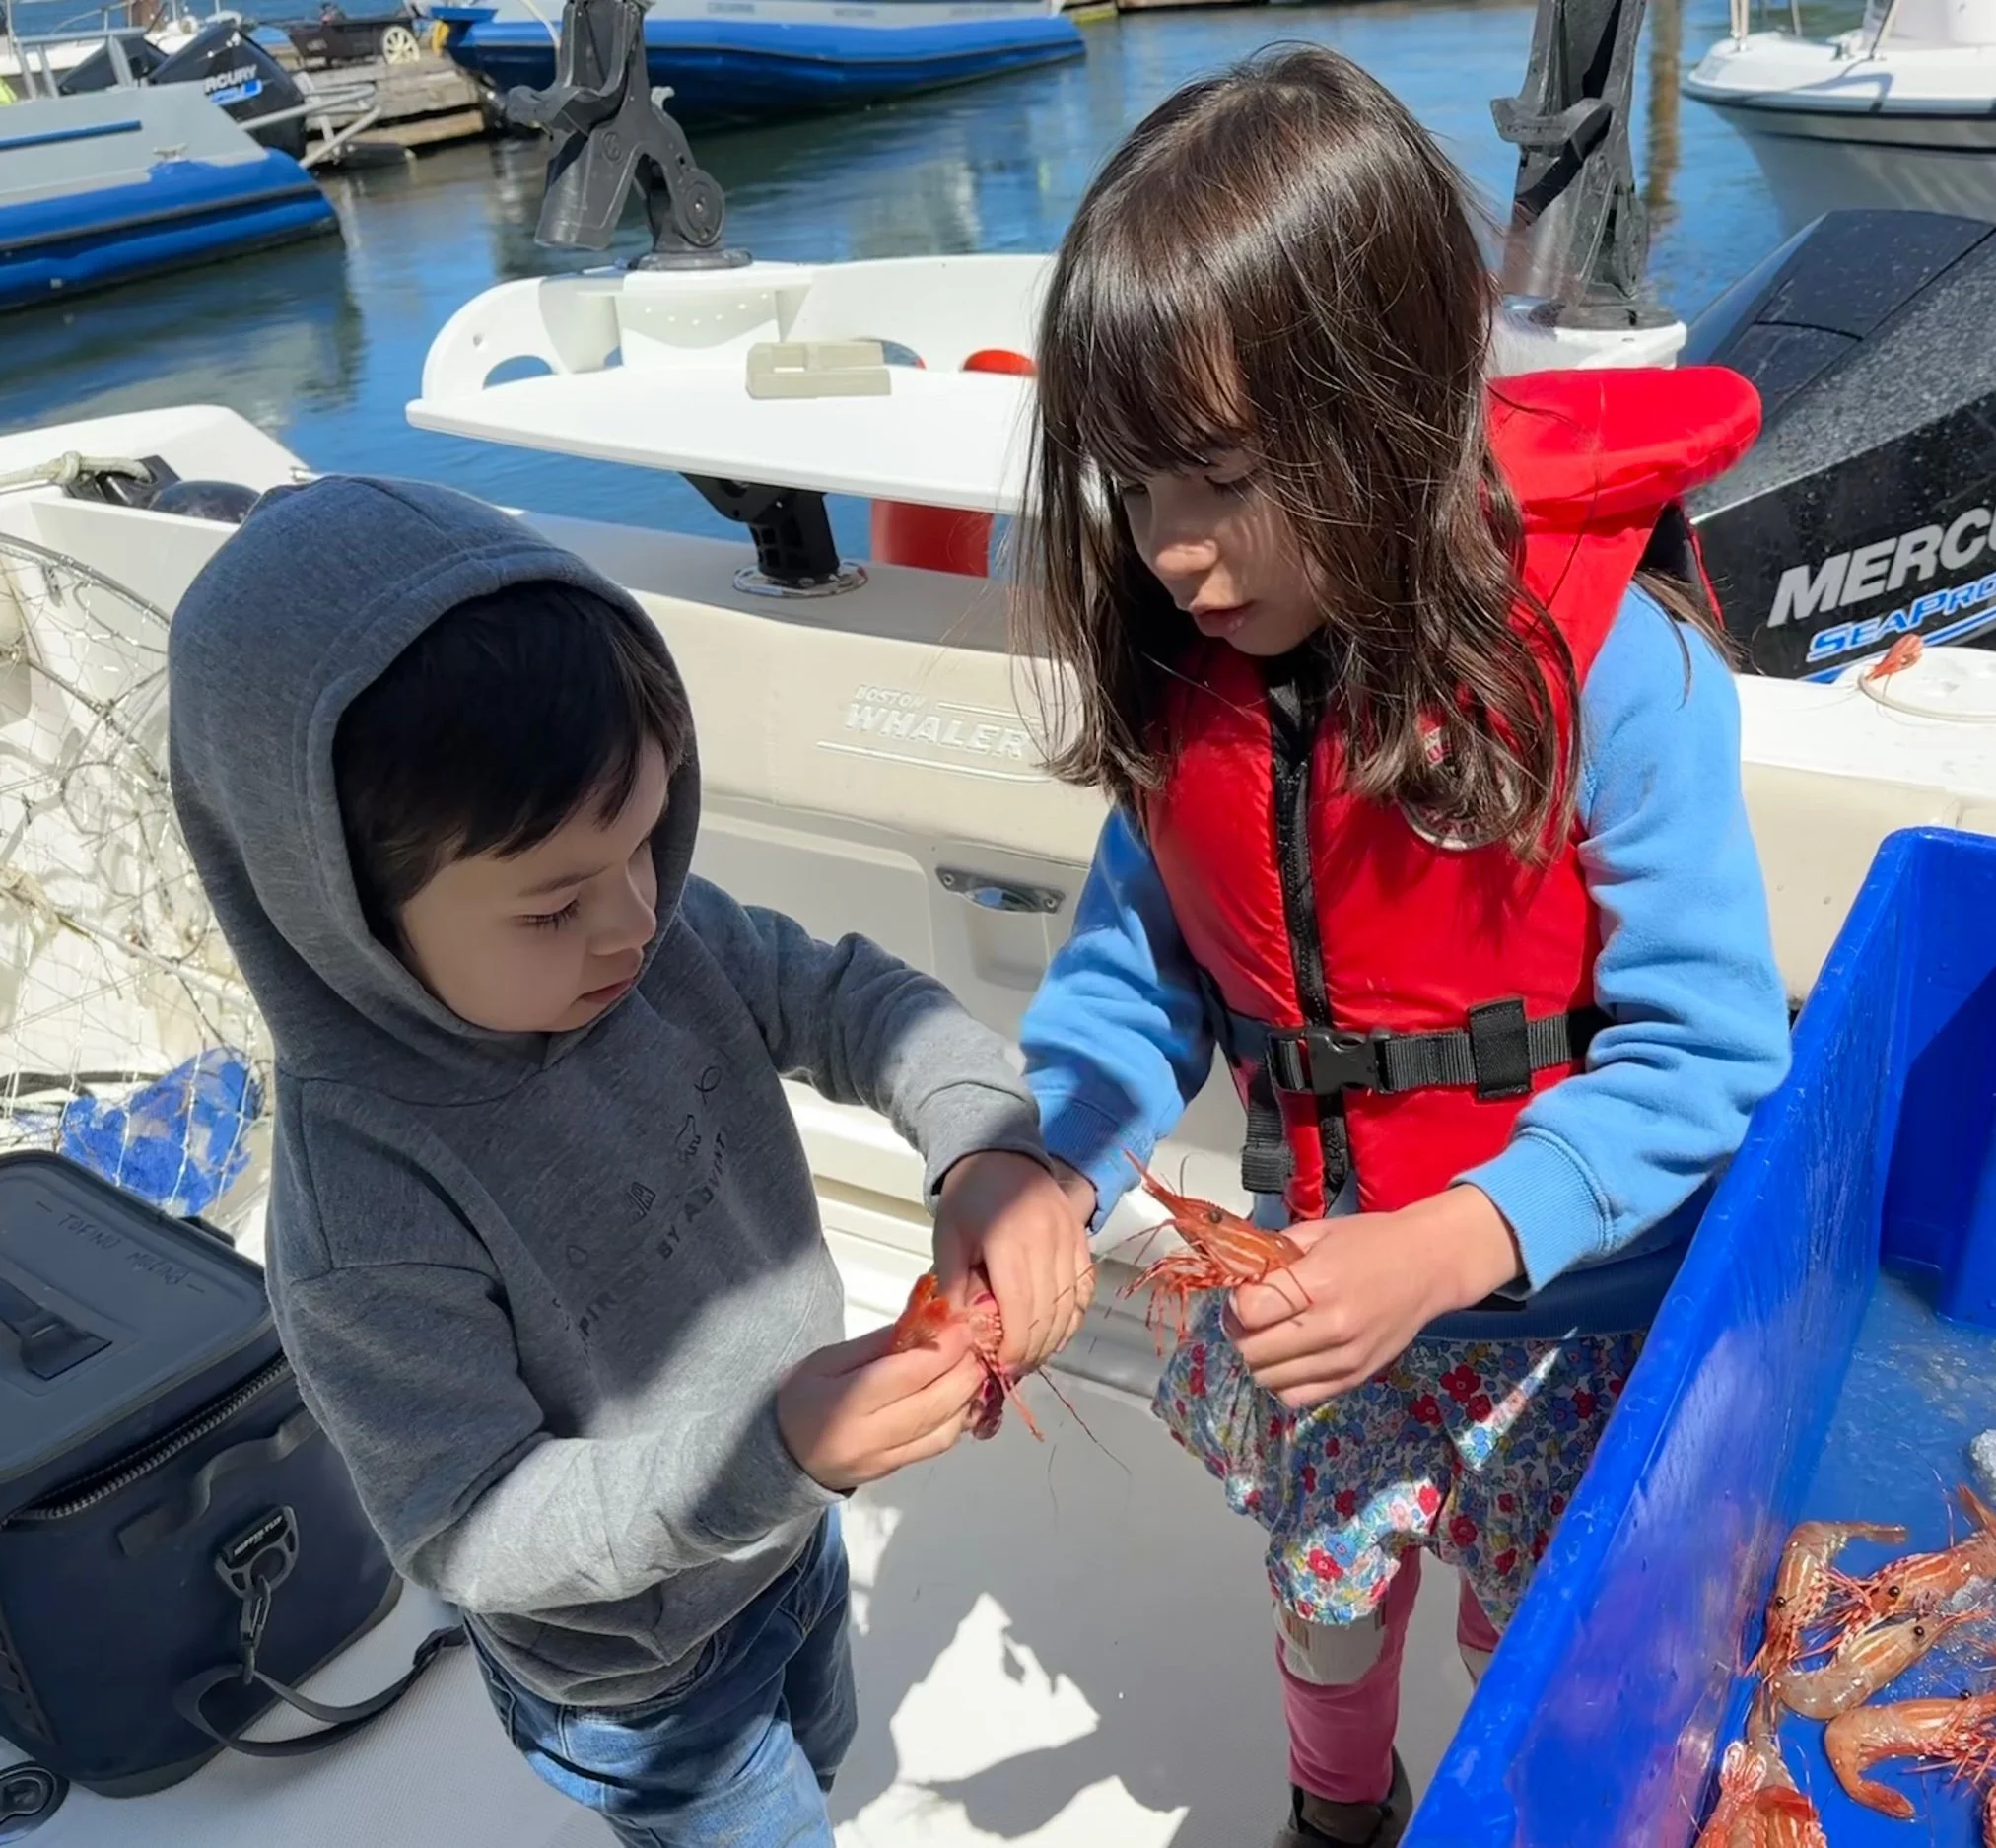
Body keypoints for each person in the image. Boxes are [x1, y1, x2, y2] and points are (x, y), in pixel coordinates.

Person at [1012, 45, 1793, 1848]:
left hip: (1578, 1306)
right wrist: (1052, 1159)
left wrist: (1448, 1245)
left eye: (1218, 478)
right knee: (1327, 1585)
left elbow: (1710, 1053)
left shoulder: (1617, 672)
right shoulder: (1195, 698)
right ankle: (1338, 1808)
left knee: (1537, 1626)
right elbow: (1137, 986)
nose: (1177, 554)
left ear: (1392, 405)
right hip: (1327, 1298)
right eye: (1137, 489)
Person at [168, 477, 1091, 1847]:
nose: (633, 918)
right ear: (342, 908)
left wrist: (985, 1149)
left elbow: (854, 1002)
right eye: (554, 902)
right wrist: (770, 1451)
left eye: (649, 837)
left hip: (787, 1527)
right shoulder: (364, 1202)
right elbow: (473, 1523)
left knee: (821, 1741)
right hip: (636, 1675)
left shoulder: (662, 931)